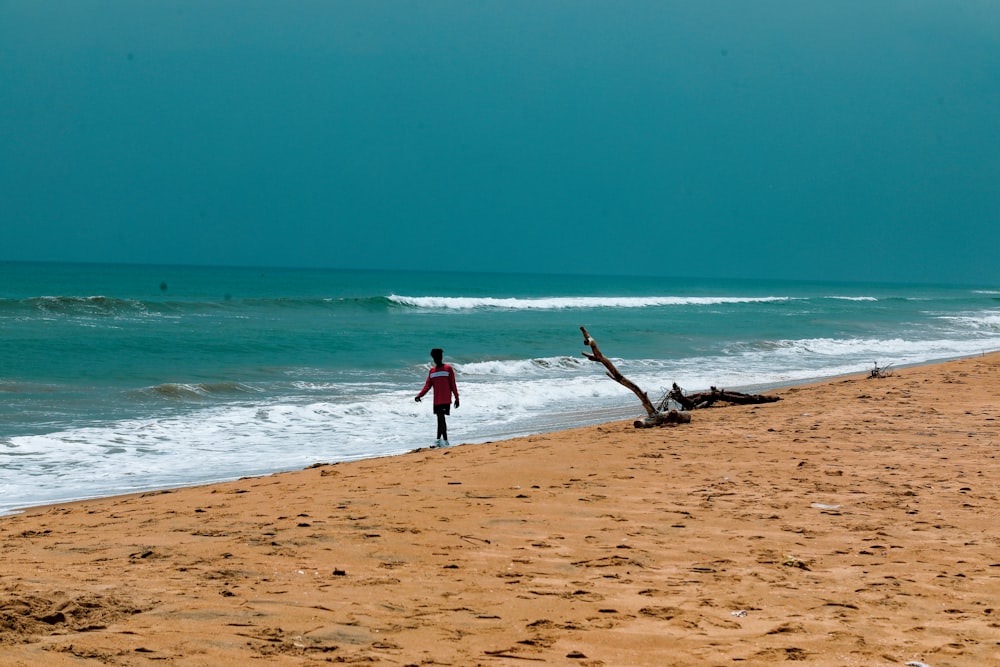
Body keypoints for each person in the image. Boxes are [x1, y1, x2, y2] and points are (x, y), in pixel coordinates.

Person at [415, 348, 459, 448]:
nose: (437, 359)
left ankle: (442, 441)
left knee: (441, 418)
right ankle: (442, 441)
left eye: (438, 357)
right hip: (437, 400)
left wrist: (457, 398)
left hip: (446, 399)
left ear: (441, 357)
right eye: (435, 357)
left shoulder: (448, 369)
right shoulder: (432, 371)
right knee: (440, 419)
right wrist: (419, 395)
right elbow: (427, 385)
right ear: (433, 358)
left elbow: (453, 385)